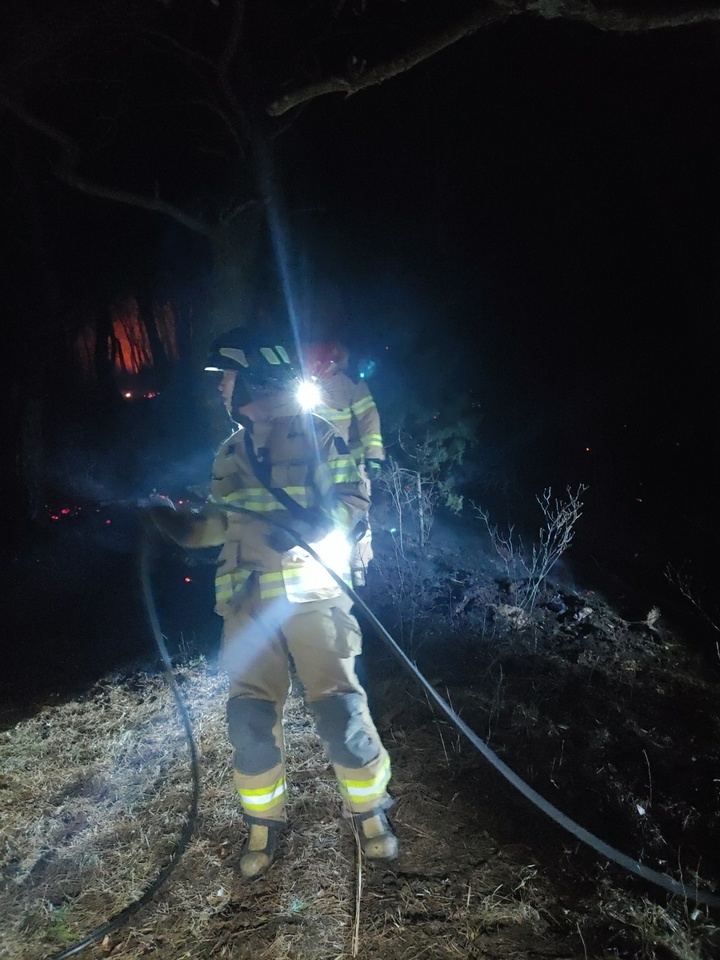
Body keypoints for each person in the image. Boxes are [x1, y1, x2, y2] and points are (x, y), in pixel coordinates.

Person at [148, 327, 398, 881]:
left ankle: (371, 813)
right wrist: (182, 528)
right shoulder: (229, 450)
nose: (219, 389)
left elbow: (356, 497)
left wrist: (320, 523)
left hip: (312, 594)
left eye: (226, 377)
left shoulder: (322, 435)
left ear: (256, 377)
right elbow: (221, 520)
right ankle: (264, 823)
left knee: (338, 708)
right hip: (245, 599)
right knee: (249, 717)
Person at [300, 339, 386, 587]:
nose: (316, 365)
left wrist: (373, 456)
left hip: (349, 466)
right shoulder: (302, 385)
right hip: (310, 467)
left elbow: (369, 419)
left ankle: (359, 573)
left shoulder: (351, 385)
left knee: (357, 517)